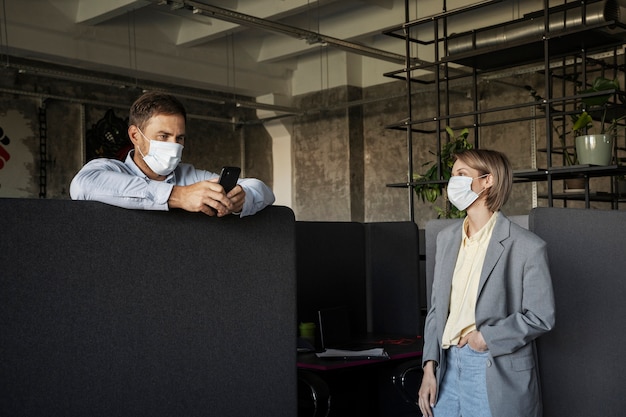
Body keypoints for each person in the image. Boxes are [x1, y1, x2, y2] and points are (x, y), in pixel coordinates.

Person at [418, 149, 555, 417]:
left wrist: (484, 339)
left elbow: (541, 316)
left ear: (488, 180)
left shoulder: (527, 246)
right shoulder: (446, 239)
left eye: (462, 174)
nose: (452, 182)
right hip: (446, 367)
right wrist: (428, 367)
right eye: (452, 174)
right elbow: (436, 311)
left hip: (491, 365)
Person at [70, 92, 275, 217]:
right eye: (163, 136)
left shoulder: (190, 177)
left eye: (180, 138)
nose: (173, 146)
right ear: (135, 135)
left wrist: (241, 199)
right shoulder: (111, 169)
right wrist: (178, 196)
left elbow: (262, 190)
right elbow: (82, 185)